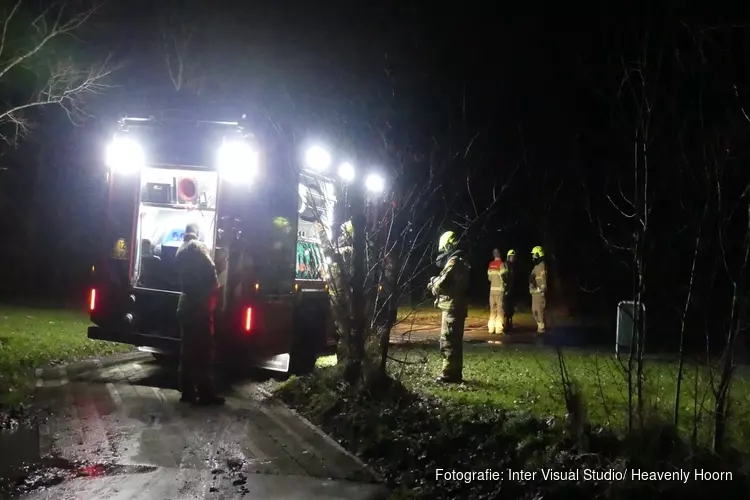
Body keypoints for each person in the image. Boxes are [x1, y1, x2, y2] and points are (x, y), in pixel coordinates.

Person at [174, 223, 224, 405]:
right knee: (204, 351)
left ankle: (187, 391)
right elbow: (212, 273)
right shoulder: (198, 247)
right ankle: (206, 393)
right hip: (199, 306)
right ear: (198, 233)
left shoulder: (180, 251)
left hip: (185, 304)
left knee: (187, 350)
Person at [428, 230, 470, 383]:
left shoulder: (454, 261)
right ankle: (455, 373)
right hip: (455, 306)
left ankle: (449, 374)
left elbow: (442, 284)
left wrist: (432, 282)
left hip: (452, 306)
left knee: (448, 341)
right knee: (454, 342)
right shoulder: (460, 260)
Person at [529, 245, 547, 334]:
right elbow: (532, 278)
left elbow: (543, 279)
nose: (533, 257)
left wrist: (543, 291)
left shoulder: (542, 266)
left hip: (540, 293)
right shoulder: (536, 267)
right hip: (534, 293)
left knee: (540, 312)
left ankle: (541, 330)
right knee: (534, 311)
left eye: (534, 255)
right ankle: (540, 327)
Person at [486, 248, 504, 334]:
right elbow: (504, 277)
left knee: (492, 309)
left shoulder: (490, 264)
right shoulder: (501, 264)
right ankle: (498, 329)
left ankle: (491, 328)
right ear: (499, 254)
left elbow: (489, 278)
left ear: (493, 255)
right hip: (500, 290)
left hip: (492, 290)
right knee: (500, 310)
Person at [501, 249, 517, 331]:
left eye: (514, 257)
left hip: (511, 290)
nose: (513, 258)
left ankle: (510, 323)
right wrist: (506, 288)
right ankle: (506, 324)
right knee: (506, 308)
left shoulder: (513, 266)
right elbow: (504, 276)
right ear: (508, 257)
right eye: (511, 257)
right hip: (506, 290)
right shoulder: (505, 265)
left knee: (511, 308)